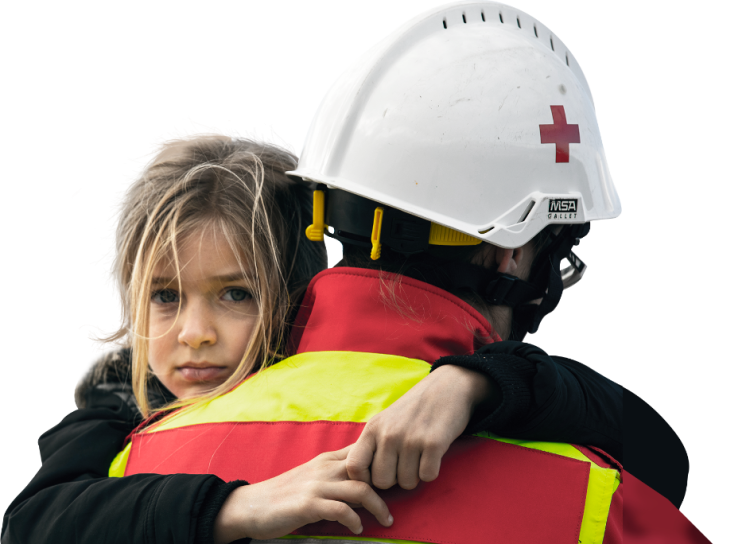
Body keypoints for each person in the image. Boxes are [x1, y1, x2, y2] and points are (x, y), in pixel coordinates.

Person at [112, 2, 710, 543]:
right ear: (512, 252)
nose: (196, 331)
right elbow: (664, 457)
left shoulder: (136, 468)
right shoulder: (597, 503)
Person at [1, 122, 683, 544]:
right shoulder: (120, 405)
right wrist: (236, 506)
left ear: (294, 297)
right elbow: (30, 523)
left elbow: (659, 450)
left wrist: (476, 383)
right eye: (165, 297)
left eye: (236, 294)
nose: (195, 333)